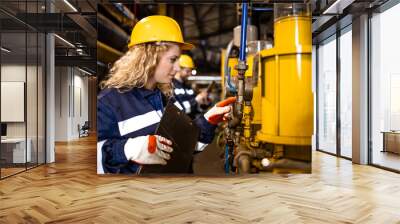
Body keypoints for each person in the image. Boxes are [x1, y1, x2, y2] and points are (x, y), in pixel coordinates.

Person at [97, 15, 235, 174]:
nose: (177, 68)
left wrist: (208, 120)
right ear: (149, 57)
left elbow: (181, 146)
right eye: (173, 59)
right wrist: (127, 149)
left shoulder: (162, 98)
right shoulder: (108, 103)